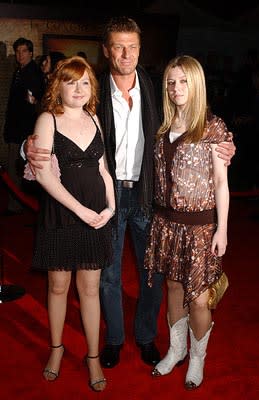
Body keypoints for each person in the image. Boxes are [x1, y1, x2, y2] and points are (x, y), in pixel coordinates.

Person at [22, 16, 236, 370]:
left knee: (151, 273)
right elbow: (61, 123)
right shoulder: (93, 89)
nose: (126, 54)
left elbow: (192, 128)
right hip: (105, 194)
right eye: (118, 47)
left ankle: (147, 337)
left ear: (140, 49)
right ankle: (115, 340)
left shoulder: (155, 87)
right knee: (107, 273)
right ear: (106, 51)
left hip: (148, 194)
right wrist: (28, 148)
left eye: (132, 46)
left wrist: (225, 144)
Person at [28, 56, 115, 392]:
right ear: (58, 85)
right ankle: (56, 349)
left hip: (95, 216)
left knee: (90, 289)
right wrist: (81, 210)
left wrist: (110, 208)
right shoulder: (48, 119)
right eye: (70, 81)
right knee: (58, 286)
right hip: (63, 215)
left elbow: (104, 170)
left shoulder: (94, 118)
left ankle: (92, 356)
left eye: (84, 82)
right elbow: (44, 174)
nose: (78, 89)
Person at [144, 55, 230, 390]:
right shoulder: (163, 128)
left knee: (198, 298)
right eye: (171, 81)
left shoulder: (213, 128)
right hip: (167, 223)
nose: (176, 88)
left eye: (183, 81)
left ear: (196, 84)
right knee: (174, 289)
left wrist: (222, 229)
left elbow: (222, 184)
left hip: (200, 228)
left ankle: (197, 358)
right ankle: (176, 349)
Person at [3, 37, 44, 215]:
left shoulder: (32, 73)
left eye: (24, 51)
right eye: (18, 52)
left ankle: (16, 205)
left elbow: (32, 104)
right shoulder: (20, 71)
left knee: (17, 167)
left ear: (31, 53)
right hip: (17, 128)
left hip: (24, 130)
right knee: (16, 167)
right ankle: (17, 203)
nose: (20, 55)